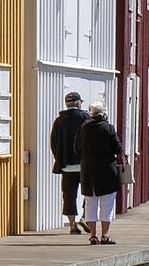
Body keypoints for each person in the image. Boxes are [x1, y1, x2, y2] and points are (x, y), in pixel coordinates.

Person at [75, 100, 125, 245]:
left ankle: (93, 236)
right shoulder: (108, 128)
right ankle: (105, 235)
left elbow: (76, 149)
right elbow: (117, 148)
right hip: (106, 169)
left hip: (88, 169)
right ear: (104, 113)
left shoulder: (83, 128)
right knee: (107, 204)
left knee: (90, 203)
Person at [50, 92, 88, 234]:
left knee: (69, 196)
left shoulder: (59, 121)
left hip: (66, 166)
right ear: (78, 103)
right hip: (84, 165)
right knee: (90, 193)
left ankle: (72, 226)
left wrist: (59, 158)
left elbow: (53, 142)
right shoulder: (84, 117)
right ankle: (85, 217)